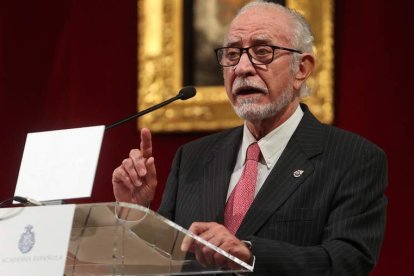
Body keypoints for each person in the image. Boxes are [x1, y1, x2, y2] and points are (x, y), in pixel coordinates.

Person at [112, 1, 387, 275]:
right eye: (232, 55)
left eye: (262, 52)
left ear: (301, 69)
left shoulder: (353, 158)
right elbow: (163, 259)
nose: (242, 68)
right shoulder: (192, 158)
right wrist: (137, 213)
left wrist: (249, 253)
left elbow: (347, 261)